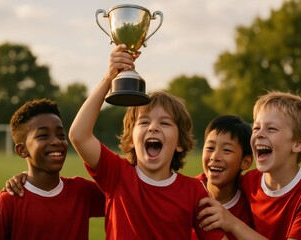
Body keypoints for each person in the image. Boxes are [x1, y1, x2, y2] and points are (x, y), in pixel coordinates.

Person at [68, 44, 227, 240]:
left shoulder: (194, 190)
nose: (153, 127)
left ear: (179, 143)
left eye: (165, 123)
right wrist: (108, 79)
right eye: (144, 122)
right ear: (132, 139)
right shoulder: (117, 174)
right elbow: (78, 135)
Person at [198, 91, 301, 239]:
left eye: (271, 128)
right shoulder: (248, 182)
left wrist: (233, 224)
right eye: (256, 128)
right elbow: (205, 184)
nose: (259, 134)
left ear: (299, 143)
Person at [0, 98, 105, 240]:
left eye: (61, 135)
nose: (56, 141)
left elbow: (127, 195)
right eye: (43, 135)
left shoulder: (82, 191)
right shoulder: (8, 202)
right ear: (22, 150)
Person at [191, 115, 254, 240]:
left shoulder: (252, 200)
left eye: (226, 150)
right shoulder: (188, 193)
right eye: (210, 148)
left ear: (246, 162)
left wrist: (232, 223)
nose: (215, 156)